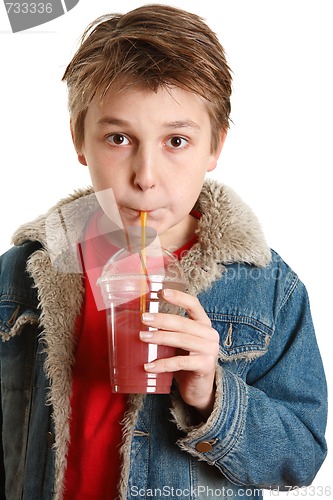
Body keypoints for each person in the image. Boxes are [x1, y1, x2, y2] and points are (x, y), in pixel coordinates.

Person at [0, 4, 327, 500]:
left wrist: (212, 396)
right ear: (79, 140)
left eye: (176, 140)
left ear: (215, 145)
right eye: (118, 138)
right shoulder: (19, 276)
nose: (145, 176)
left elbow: (299, 458)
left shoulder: (267, 288)